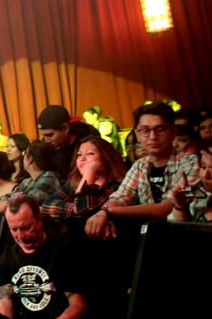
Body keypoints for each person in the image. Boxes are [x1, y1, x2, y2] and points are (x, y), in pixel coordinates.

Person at [85, 102, 199, 241]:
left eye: (160, 129)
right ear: (137, 135)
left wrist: (110, 212)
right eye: (145, 130)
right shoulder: (140, 165)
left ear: (174, 132)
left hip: (185, 236)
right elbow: (121, 197)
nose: (152, 136)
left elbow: (168, 207)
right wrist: (103, 214)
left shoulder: (191, 162)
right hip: (149, 238)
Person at [0, 196, 87, 319]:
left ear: (39, 219)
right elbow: (4, 298)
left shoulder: (63, 252)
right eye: (14, 229)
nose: (20, 236)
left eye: (25, 227)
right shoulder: (8, 256)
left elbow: (78, 305)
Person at [41, 136, 127, 219]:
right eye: (79, 154)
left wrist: (90, 171)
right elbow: (47, 205)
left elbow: (84, 211)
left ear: (106, 158)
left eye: (90, 154)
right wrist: (74, 208)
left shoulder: (117, 186)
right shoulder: (74, 182)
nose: (82, 159)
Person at [36, 105, 99, 181]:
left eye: (50, 135)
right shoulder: (48, 147)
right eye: (44, 136)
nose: (46, 140)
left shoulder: (91, 144)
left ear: (66, 128)